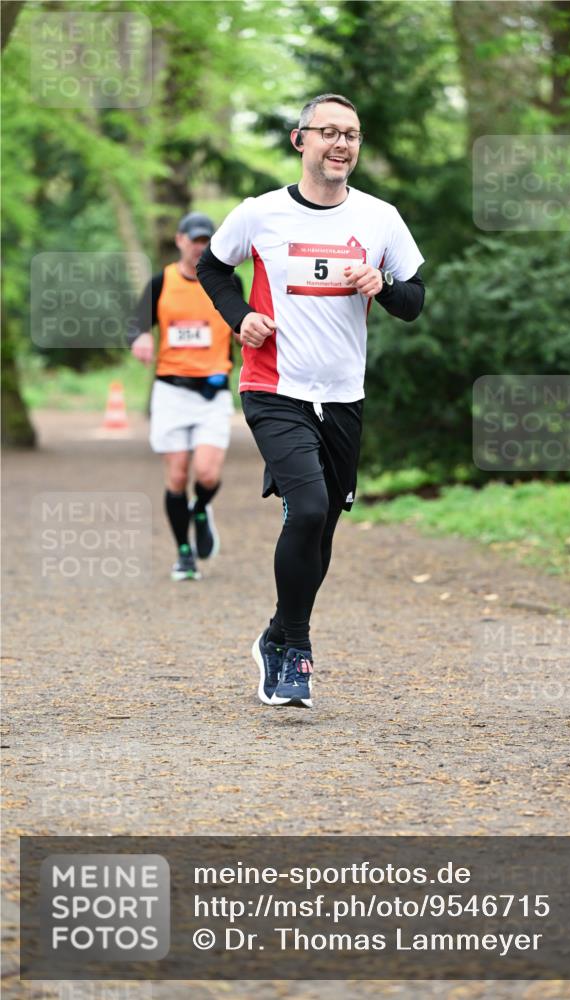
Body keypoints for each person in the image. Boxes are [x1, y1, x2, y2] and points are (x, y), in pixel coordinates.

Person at [197, 94, 425, 707]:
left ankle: (274, 632)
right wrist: (240, 315)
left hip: (344, 392)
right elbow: (213, 270)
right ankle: (295, 649)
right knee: (309, 506)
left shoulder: (380, 218)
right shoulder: (260, 213)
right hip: (274, 385)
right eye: (328, 132)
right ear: (302, 141)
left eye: (351, 134)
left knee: (323, 524)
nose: (341, 144)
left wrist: (386, 284)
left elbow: (414, 300)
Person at [129, 211, 240, 581]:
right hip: (172, 391)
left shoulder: (227, 282)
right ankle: (183, 553)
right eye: (194, 240)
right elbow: (135, 324)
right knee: (177, 476)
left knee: (207, 474)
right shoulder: (162, 282)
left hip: (212, 392)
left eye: (206, 241)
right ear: (179, 241)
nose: (199, 248)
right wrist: (141, 337)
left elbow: (241, 321)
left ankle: (201, 509)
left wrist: (244, 332)